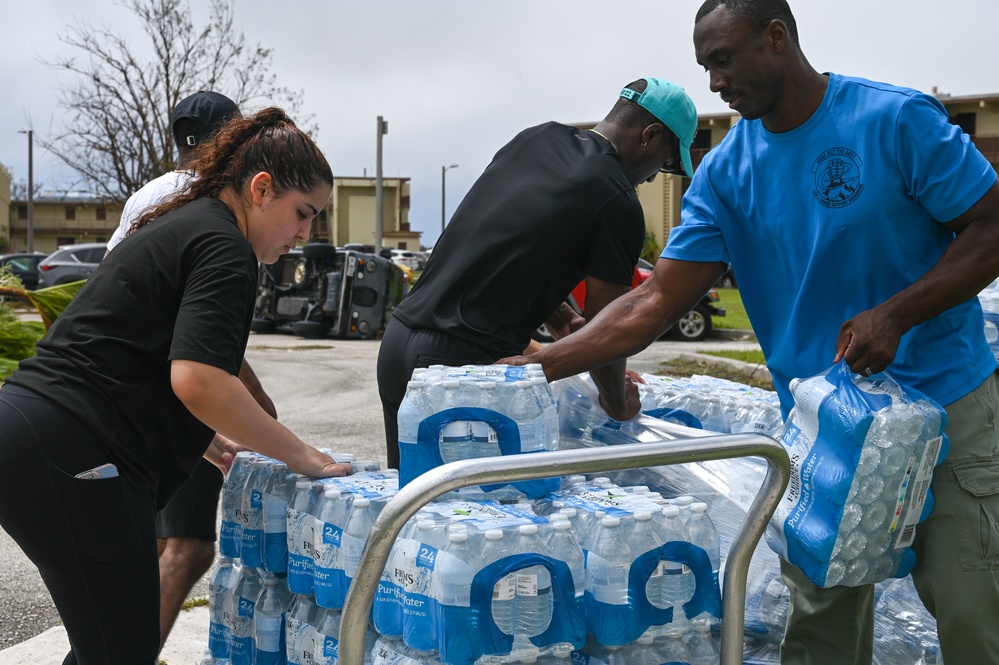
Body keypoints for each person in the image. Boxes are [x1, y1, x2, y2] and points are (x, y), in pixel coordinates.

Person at [501, 1, 999, 663]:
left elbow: (990, 226)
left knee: (973, 607)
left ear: (775, 37)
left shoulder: (892, 119)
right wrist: (542, 362)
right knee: (821, 623)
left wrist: (896, 313)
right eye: (705, 66)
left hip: (946, 405)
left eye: (723, 59)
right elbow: (653, 303)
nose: (713, 82)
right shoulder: (725, 172)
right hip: (830, 428)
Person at [0, 107, 352, 665]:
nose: (306, 234)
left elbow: (137, 348)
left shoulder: (191, 222)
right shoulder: (225, 246)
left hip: (39, 436)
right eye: (303, 214)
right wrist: (302, 454)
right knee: (121, 650)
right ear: (261, 189)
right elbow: (199, 379)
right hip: (68, 450)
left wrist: (203, 438)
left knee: (110, 646)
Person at [376, 77, 698, 469]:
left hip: (397, 345)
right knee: (475, 517)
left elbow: (506, 237)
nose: (651, 177)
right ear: (650, 134)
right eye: (664, 164)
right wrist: (616, 399)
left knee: (409, 507)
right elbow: (609, 324)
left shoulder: (534, 139)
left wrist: (560, 318)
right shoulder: (617, 198)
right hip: (463, 364)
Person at [104, 90, 276, 653]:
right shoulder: (211, 204)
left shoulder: (151, 194)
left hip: (132, 388)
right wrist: (257, 405)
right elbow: (198, 343)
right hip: (175, 390)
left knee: (156, 549)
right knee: (188, 547)